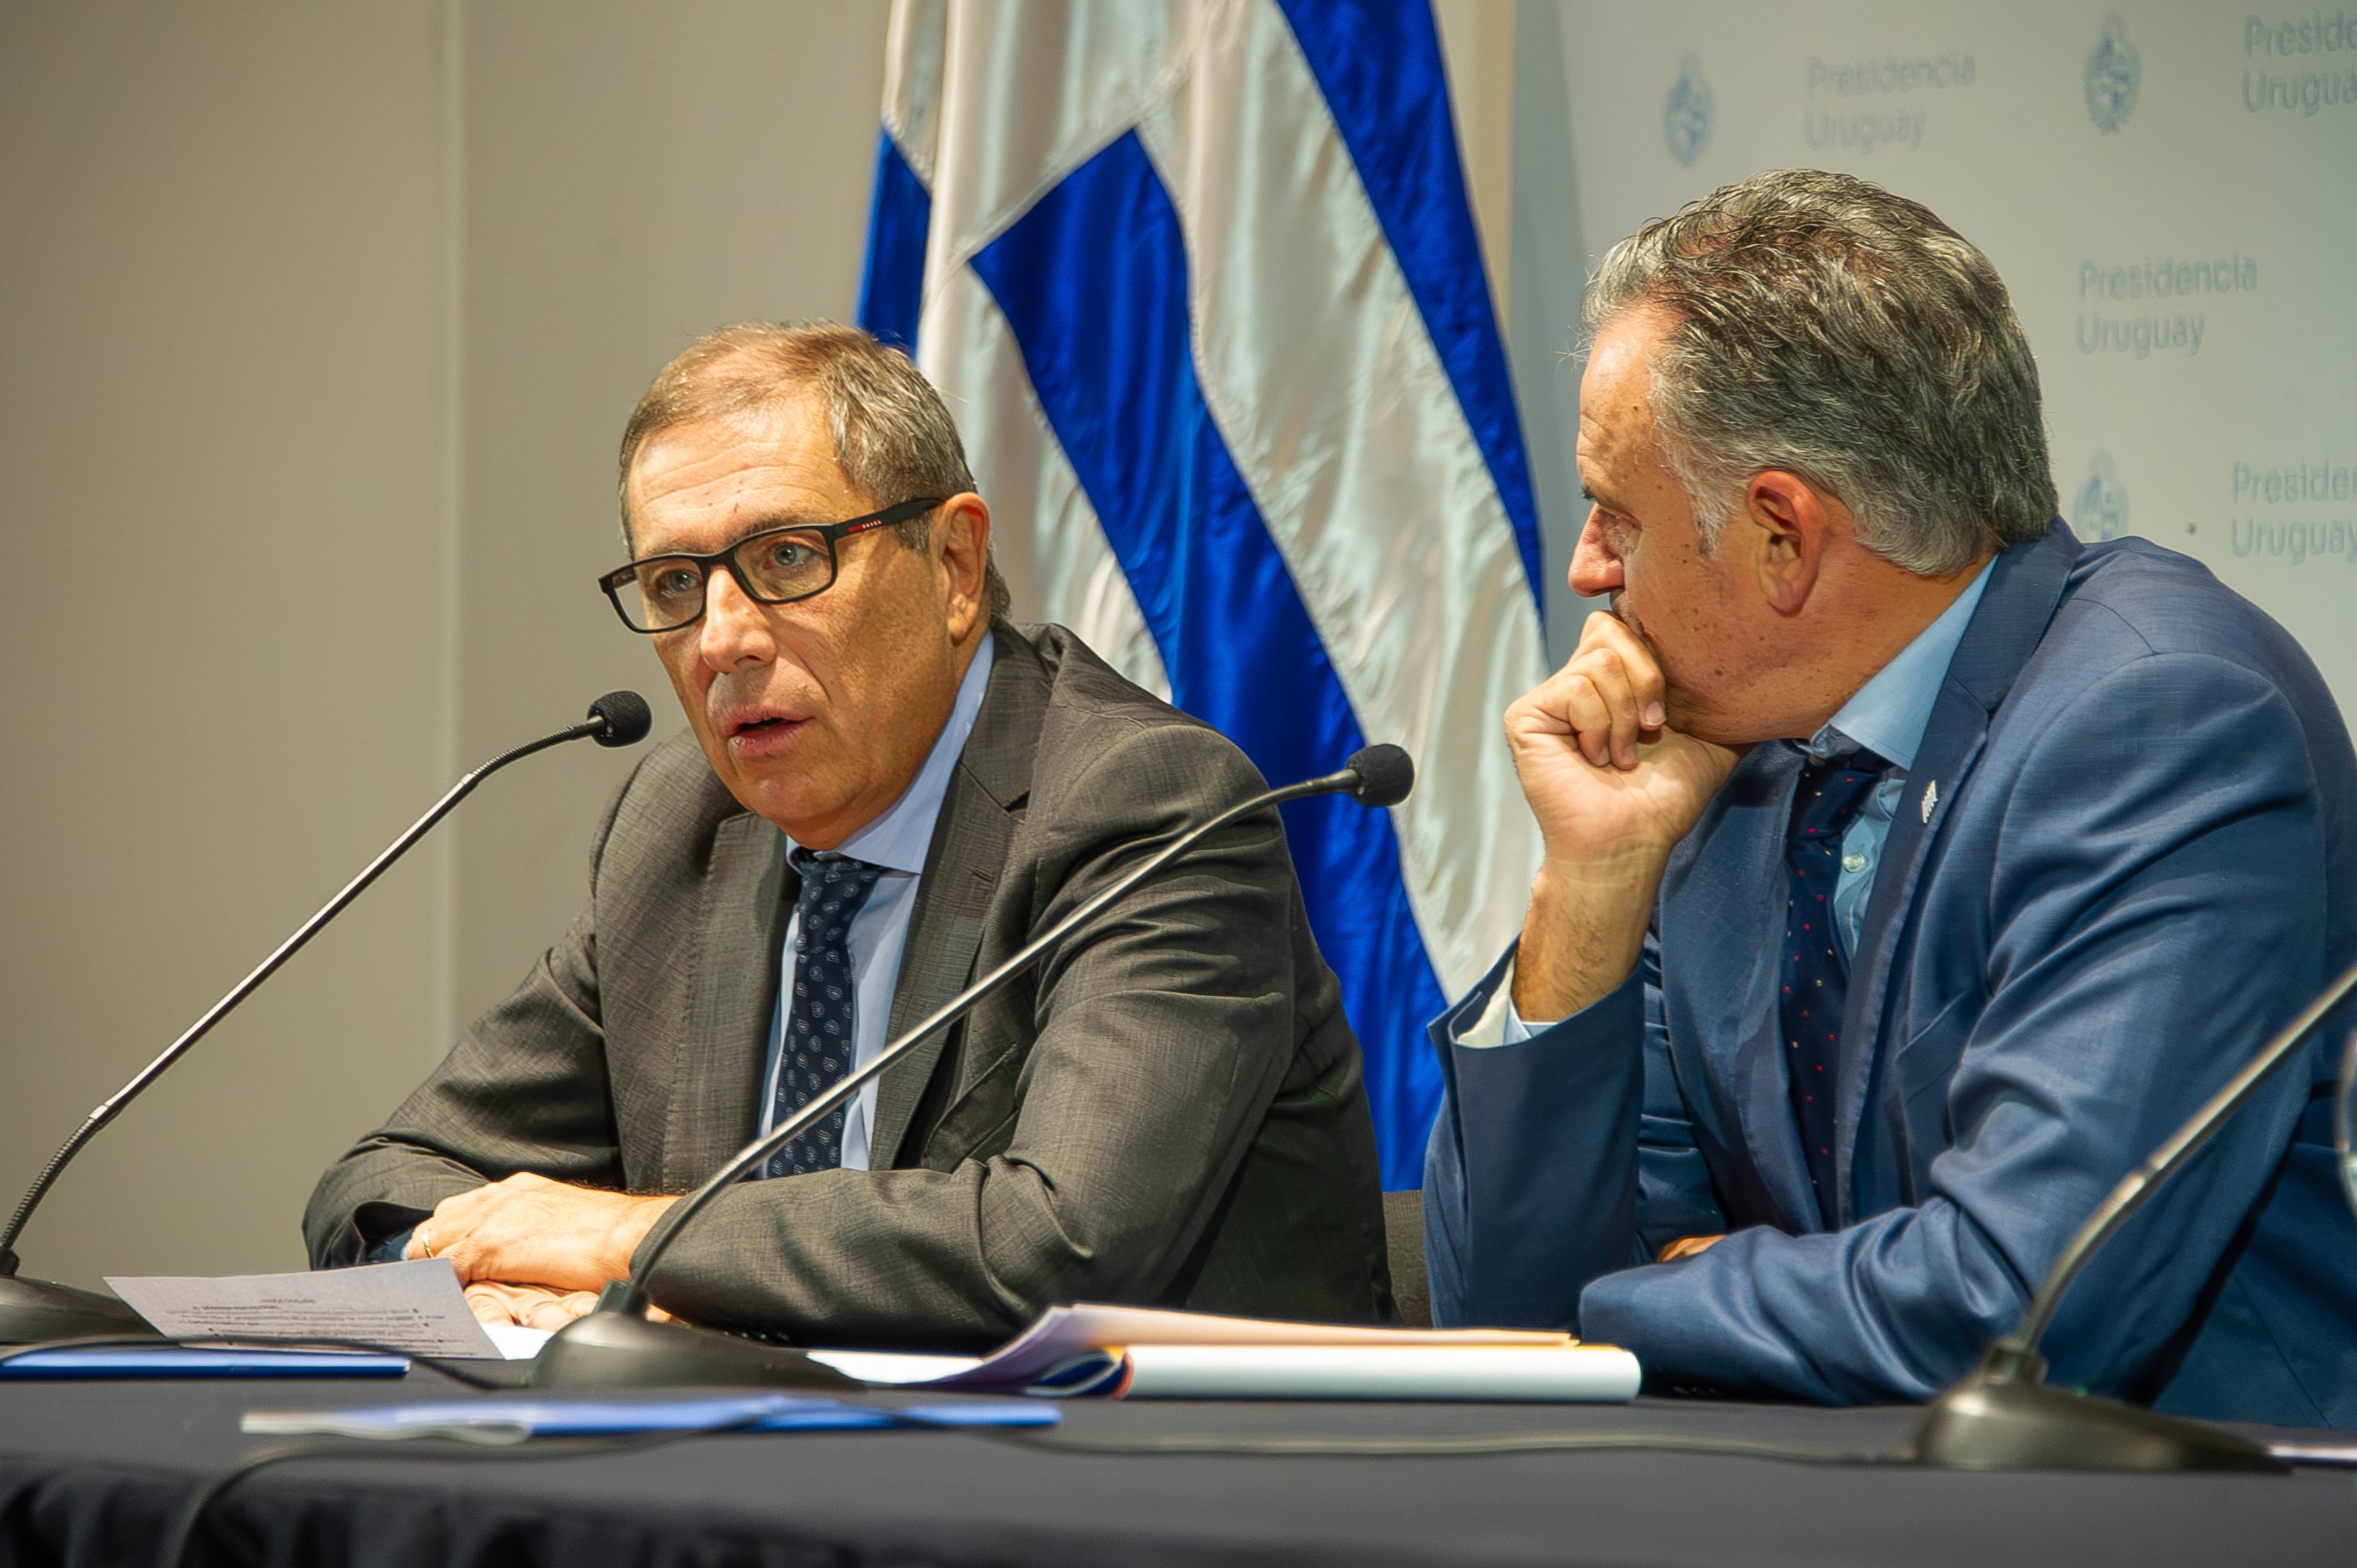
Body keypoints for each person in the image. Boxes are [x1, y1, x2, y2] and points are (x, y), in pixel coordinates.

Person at [1423, 170, 2357, 1426]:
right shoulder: (1725, 758)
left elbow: (2015, 1307)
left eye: (1614, 516)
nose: (1588, 568)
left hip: (2192, 1500)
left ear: (1781, 537)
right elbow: (1501, 1319)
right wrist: (1587, 888)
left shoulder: (2162, 723)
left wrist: (1651, 1293)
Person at [307, 322, 1393, 1348]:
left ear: (953, 565)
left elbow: (1059, 1244)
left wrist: (623, 1241)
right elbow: (381, 1179)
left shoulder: (1143, 808)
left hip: (1128, 1466)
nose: (722, 639)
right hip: (750, 1455)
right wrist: (479, 1276)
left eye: (787, 557)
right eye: (675, 583)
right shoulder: (682, 822)